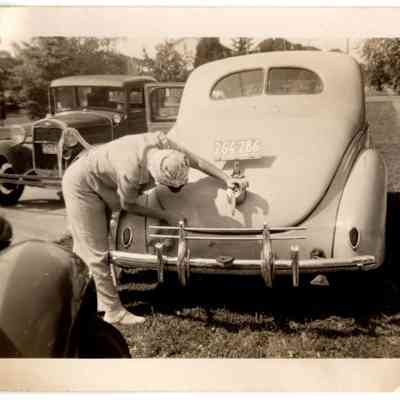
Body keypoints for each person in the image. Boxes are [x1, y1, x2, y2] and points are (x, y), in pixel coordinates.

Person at [62, 131, 248, 325]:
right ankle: (112, 311)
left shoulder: (163, 142)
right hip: (82, 185)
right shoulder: (130, 170)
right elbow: (128, 205)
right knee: (95, 251)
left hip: (100, 178)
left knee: (89, 245)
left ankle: (83, 297)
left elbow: (198, 161)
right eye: (172, 187)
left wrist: (226, 178)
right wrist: (166, 216)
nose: (176, 190)